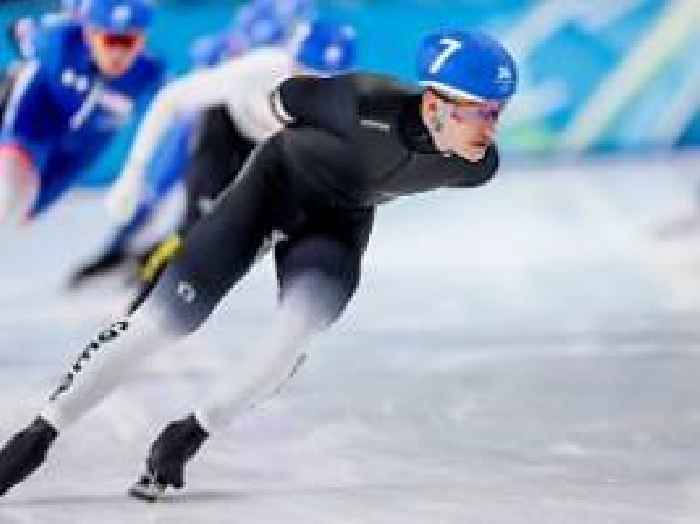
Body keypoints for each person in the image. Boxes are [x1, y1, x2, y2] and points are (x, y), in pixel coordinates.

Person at [0, 29, 517, 500]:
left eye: (498, 112)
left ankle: (187, 435)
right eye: (482, 112)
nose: (491, 128)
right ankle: (38, 435)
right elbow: (271, 102)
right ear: (435, 105)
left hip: (337, 223)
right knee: (159, 324)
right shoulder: (357, 100)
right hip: (267, 192)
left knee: (295, 334)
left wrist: (197, 428)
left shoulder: (475, 168)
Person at [68, 0, 318, 286]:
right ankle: (118, 253)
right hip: (211, 119)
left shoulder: (298, 30)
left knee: (208, 218)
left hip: (248, 128)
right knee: (161, 192)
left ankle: (151, 261)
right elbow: (182, 90)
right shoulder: (252, 44)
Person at [0, 0, 164, 225]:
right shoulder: (58, 40)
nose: (118, 54)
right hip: (25, 123)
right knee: (8, 194)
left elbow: (84, 155)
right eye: (111, 40)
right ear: (89, 34)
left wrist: (45, 196)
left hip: (69, 151)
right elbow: (18, 31)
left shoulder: (149, 75)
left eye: (129, 42)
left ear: (143, 40)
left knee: (17, 211)